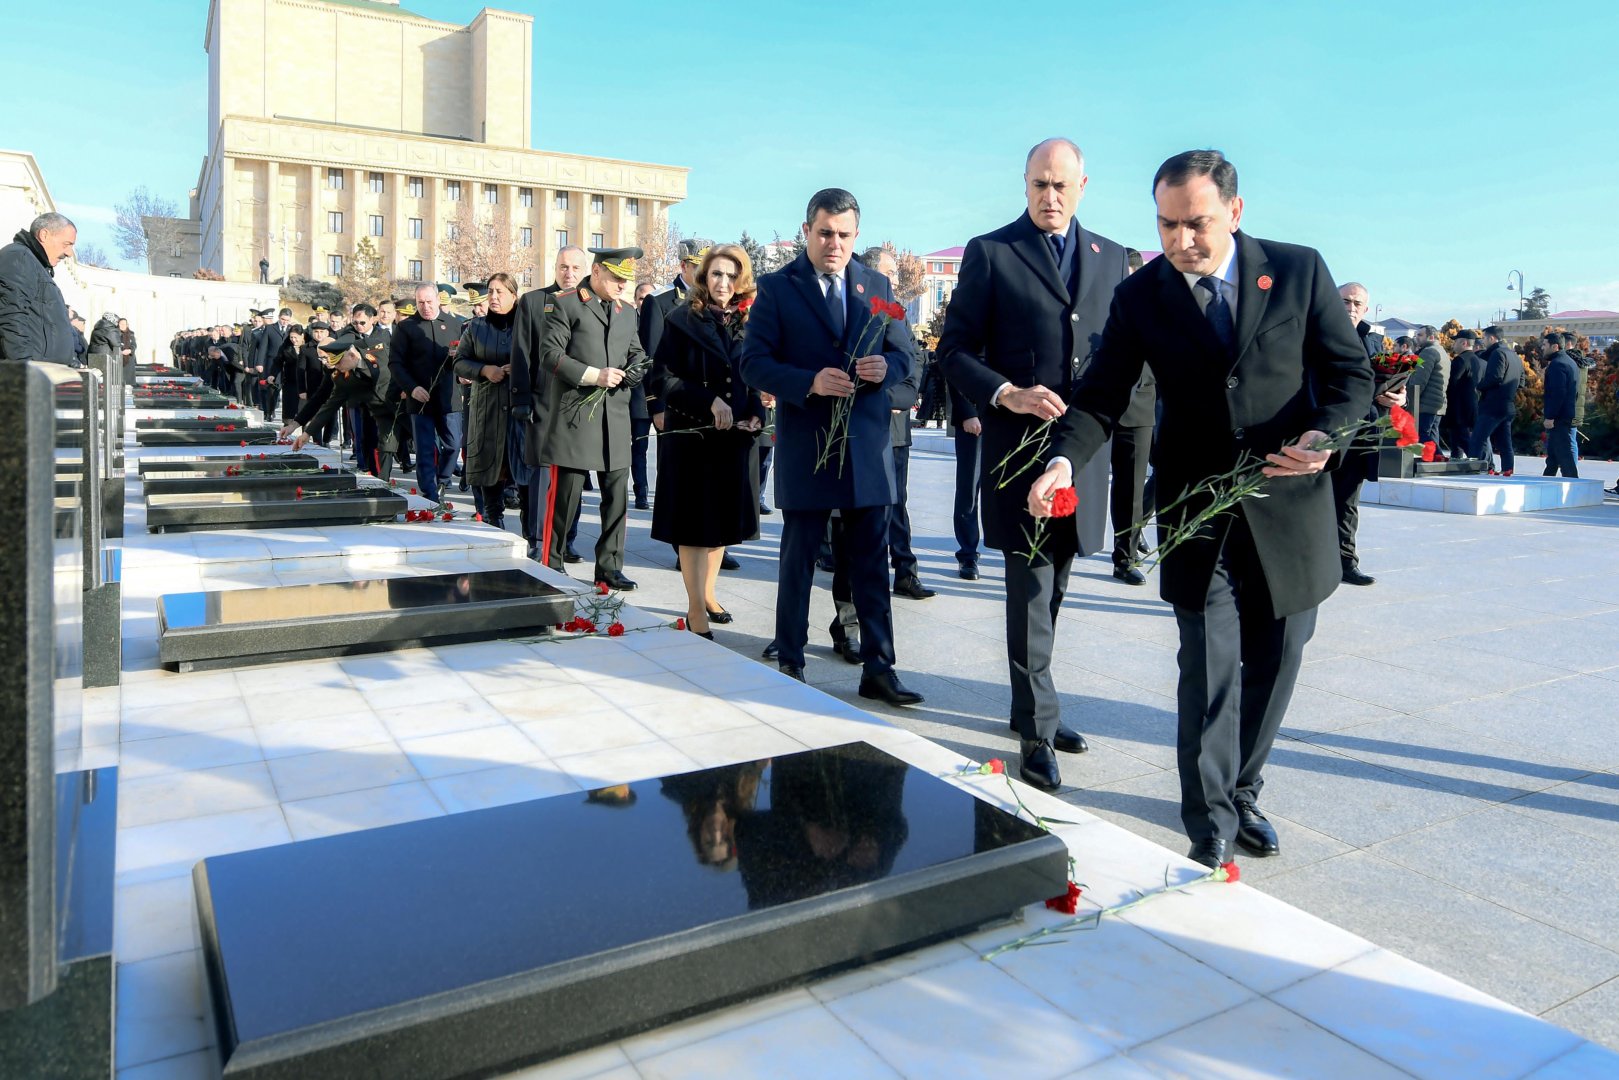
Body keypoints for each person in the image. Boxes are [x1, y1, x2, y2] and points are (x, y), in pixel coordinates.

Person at [1026, 150, 1373, 869]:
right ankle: (1207, 819)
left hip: (1288, 501)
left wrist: (1325, 436)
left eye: (1197, 224)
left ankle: (1243, 786)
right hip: (1195, 509)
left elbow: (1349, 373)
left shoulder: (1299, 270)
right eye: (1166, 224)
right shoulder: (1142, 295)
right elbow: (1100, 395)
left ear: (1235, 213)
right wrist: (1061, 459)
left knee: (1276, 660)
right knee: (1207, 668)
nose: (1181, 240)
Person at [937, 137, 1127, 788]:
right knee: (1030, 590)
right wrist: (1004, 392)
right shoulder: (991, 253)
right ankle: (1035, 728)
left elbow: (1120, 358)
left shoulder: (1111, 259)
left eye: (1060, 185)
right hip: (1019, 453)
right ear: (1024, 186)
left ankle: (1036, 704)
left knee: (1059, 583)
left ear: (1082, 186)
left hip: (1082, 454)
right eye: (1038, 184)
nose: (1050, 196)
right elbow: (953, 350)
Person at [739, 187, 923, 706]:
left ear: (856, 236)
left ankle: (879, 667)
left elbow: (905, 355)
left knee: (869, 561)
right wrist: (808, 382)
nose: (834, 244)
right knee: (798, 559)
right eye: (825, 233)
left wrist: (888, 368)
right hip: (808, 442)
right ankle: (792, 660)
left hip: (866, 443)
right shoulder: (778, 288)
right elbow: (753, 362)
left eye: (844, 235)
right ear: (806, 231)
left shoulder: (878, 286)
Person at [512, 247, 648, 588]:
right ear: (598, 272)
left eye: (626, 281)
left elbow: (636, 352)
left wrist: (635, 370)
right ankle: (551, 562)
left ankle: (609, 567)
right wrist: (593, 374)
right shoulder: (567, 303)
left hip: (614, 418)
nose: (622, 286)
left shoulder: (627, 311)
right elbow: (550, 355)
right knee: (565, 497)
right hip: (575, 416)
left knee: (617, 497)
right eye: (617, 278)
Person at [650, 244, 765, 636]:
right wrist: (708, 400)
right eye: (717, 274)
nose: (723, 283)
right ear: (704, 277)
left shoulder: (748, 322)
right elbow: (662, 379)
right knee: (694, 529)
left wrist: (756, 414)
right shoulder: (682, 319)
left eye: (731, 276)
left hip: (733, 441)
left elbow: (752, 377)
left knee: (720, 527)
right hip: (693, 439)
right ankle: (695, 608)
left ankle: (709, 593)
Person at [860, 246, 933, 601]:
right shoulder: (856, 312)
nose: (894, 282)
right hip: (860, 428)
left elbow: (912, 374)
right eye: (890, 274)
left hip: (895, 431)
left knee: (897, 504)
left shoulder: (898, 317)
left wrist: (886, 400)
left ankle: (905, 571)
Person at [1332, 282, 1399, 586]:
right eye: (1346, 301)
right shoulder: (1315, 332)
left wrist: (1400, 396)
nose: (1351, 308)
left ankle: (1347, 562)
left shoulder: (1372, 340)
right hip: (1326, 432)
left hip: (1361, 433)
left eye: (1358, 303)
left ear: (1366, 308)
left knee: (1347, 502)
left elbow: (1387, 378)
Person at [285, 303, 397, 475]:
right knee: (379, 444)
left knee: (412, 443)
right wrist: (305, 432)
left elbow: (394, 373)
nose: (331, 366)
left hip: (398, 404)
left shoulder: (380, 346)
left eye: (335, 363)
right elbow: (326, 402)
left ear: (350, 355)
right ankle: (381, 482)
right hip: (371, 408)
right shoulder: (340, 370)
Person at [454, 274, 524, 536]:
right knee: (488, 465)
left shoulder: (528, 325)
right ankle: (493, 517)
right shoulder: (476, 327)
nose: (493, 297)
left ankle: (530, 529)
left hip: (520, 406)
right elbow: (459, 362)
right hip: (487, 406)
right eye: (491, 292)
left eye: (500, 292)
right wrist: (484, 370)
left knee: (520, 465)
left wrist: (517, 368)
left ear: (514, 295)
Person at [388, 283, 462, 505]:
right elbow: (395, 363)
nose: (426, 307)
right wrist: (411, 388)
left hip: (449, 396)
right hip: (419, 398)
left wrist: (458, 359)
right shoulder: (406, 327)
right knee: (425, 448)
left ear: (438, 300)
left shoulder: (454, 324)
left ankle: (443, 479)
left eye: (429, 302)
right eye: (420, 303)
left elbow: (466, 358)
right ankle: (429, 493)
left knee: (453, 444)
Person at [1471, 325, 1520, 475]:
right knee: (1505, 444)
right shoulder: (1513, 355)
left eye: (1484, 338)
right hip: (1508, 404)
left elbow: (1495, 377)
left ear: (1492, 338)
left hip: (1493, 405)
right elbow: (1522, 381)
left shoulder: (1497, 354)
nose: (1483, 342)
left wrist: (1479, 386)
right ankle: (1508, 472)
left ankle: (1473, 472)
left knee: (1477, 439)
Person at [946, 376, 982, 578]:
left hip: (1012, 416)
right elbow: (957, 363)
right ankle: (968, 554)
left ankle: (1013, 551)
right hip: (975, 418)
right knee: (969, 487)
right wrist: (967, 411)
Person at [1541, 332, 1579, 477]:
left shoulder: (1558, 365)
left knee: (1564, 455)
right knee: (1554, 455)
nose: (1542, 348)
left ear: (1555, 346)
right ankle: (1547, 480)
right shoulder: (1569, 362)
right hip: (1565, 414)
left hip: (1559, 418)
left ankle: (1573, 485)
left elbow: (1558, 393)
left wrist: (1550, 417)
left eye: (1545, 345)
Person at [1443, 329, 1480, 458]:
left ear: (1464, 343)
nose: (1453, 345)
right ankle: (1456, 463)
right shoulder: (1476, 359)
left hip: (1459, 407)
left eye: (1456, 342)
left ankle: (1477, 462)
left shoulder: (1460, 360)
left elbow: (1451, 382)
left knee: (1462, 438)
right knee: (1458, 441)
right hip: (1471, 404)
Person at [1414, 325, 1450, 451]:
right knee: (1432, 435)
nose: (1416, 338)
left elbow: (1419, 378)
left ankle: (1437, 456)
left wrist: (1411, 399)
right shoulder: (1441, 351)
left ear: (1431, 337)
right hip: (1438, 403)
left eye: (1420, 335)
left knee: (1422, 434)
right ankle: (1436, 462)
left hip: (1426, 403)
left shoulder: (1428, 352)